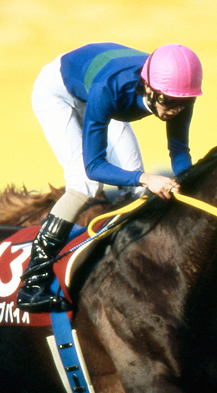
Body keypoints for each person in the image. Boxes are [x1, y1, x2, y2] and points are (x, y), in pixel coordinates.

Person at [17, 42, 203, 313]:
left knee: (138, 192)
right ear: (149, 88)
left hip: (103, 90)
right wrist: (147, 178)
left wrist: (191, 191)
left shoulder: (176, 89)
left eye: (184, 103)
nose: (175, 110)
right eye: (169, 102)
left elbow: (179, 152)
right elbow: (94, 166)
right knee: (85, 183)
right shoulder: (110, 89)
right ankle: (33, 283)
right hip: (59, 92)